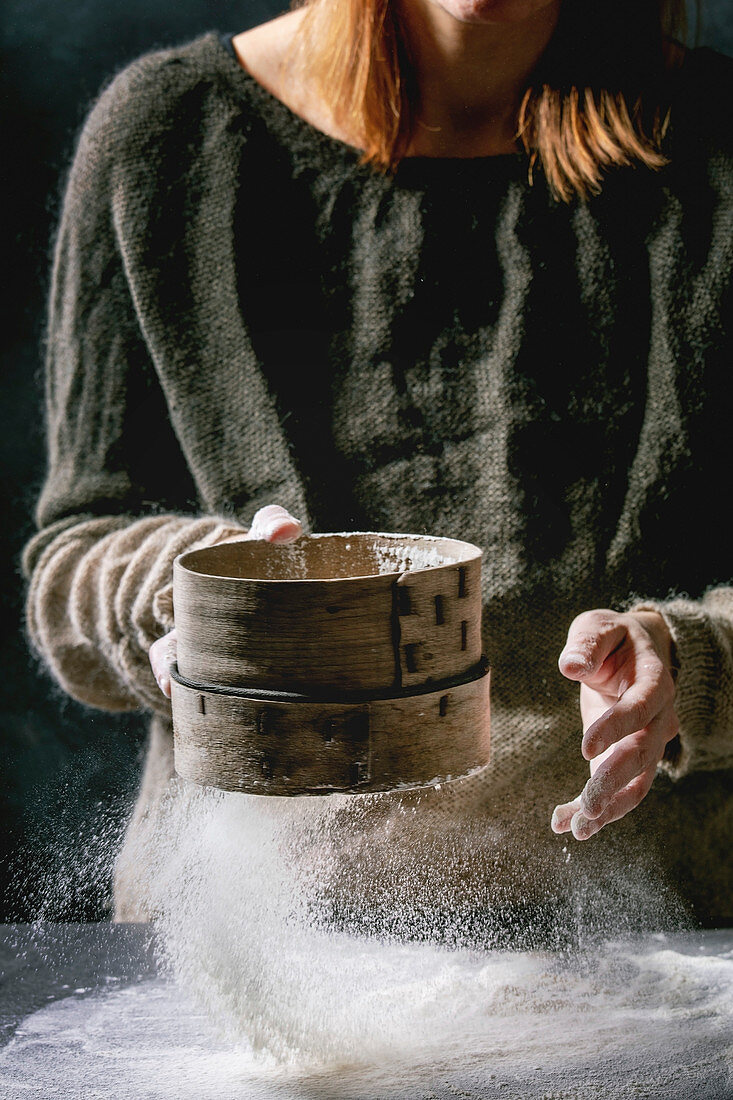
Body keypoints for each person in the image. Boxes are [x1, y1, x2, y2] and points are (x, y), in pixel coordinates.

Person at [23, 0, 733, 929]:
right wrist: (196, 592)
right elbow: (72, 555)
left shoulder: (713, 138)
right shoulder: (167, 133)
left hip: (663, 952)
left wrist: (699, 664)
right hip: (260, 951)